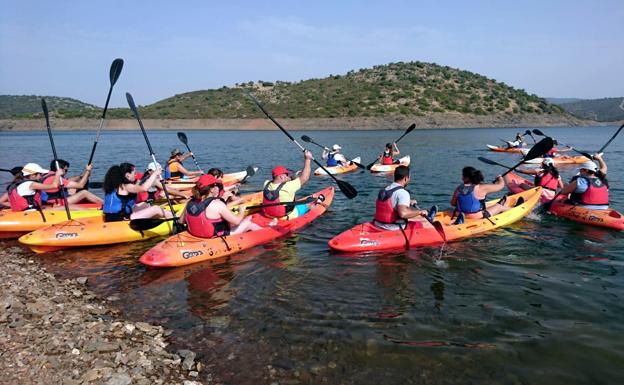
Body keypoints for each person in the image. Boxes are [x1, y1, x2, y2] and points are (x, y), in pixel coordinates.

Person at [178, 174, 263, 238]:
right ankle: (268, 232)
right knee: (248, 224)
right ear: (211, 189)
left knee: (237, 221)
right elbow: (236, 221)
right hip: (215, 236)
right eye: (216, 186)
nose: (218, 188)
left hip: (195, 233)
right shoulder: (217, 204)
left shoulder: (190, 202)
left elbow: (181, 221)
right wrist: (241, 210)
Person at [102, 162, 173, 222]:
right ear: (127, 175)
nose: (136, 175)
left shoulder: (113, 185)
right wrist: (154, 174)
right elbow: (144, 188)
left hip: (109, 216)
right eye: (134, 173)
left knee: (145, 204)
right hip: (121, 219)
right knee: (156, 209)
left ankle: (158, 217)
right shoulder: (126, 186)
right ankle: (176, 219)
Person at [373, 165, 436, 231]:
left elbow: (392, 201)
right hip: (393, 228)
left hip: (378, 224)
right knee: (419, 225)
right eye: (409, 178)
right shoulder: (403, 193)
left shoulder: (386, 189)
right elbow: (403, 214)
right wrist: (420, 212)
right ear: (406, 178)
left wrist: (408, 201)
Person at [262, 150, 313, 220]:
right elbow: (305, 177)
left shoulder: (266, 183)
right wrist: (307, 159)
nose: (288, 176)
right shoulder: (288, 186)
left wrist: (292, 176)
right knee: (309, 205)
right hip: (285, 217)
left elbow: (281, 181)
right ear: (281, 177)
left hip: (268, 214)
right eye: (286, 175)